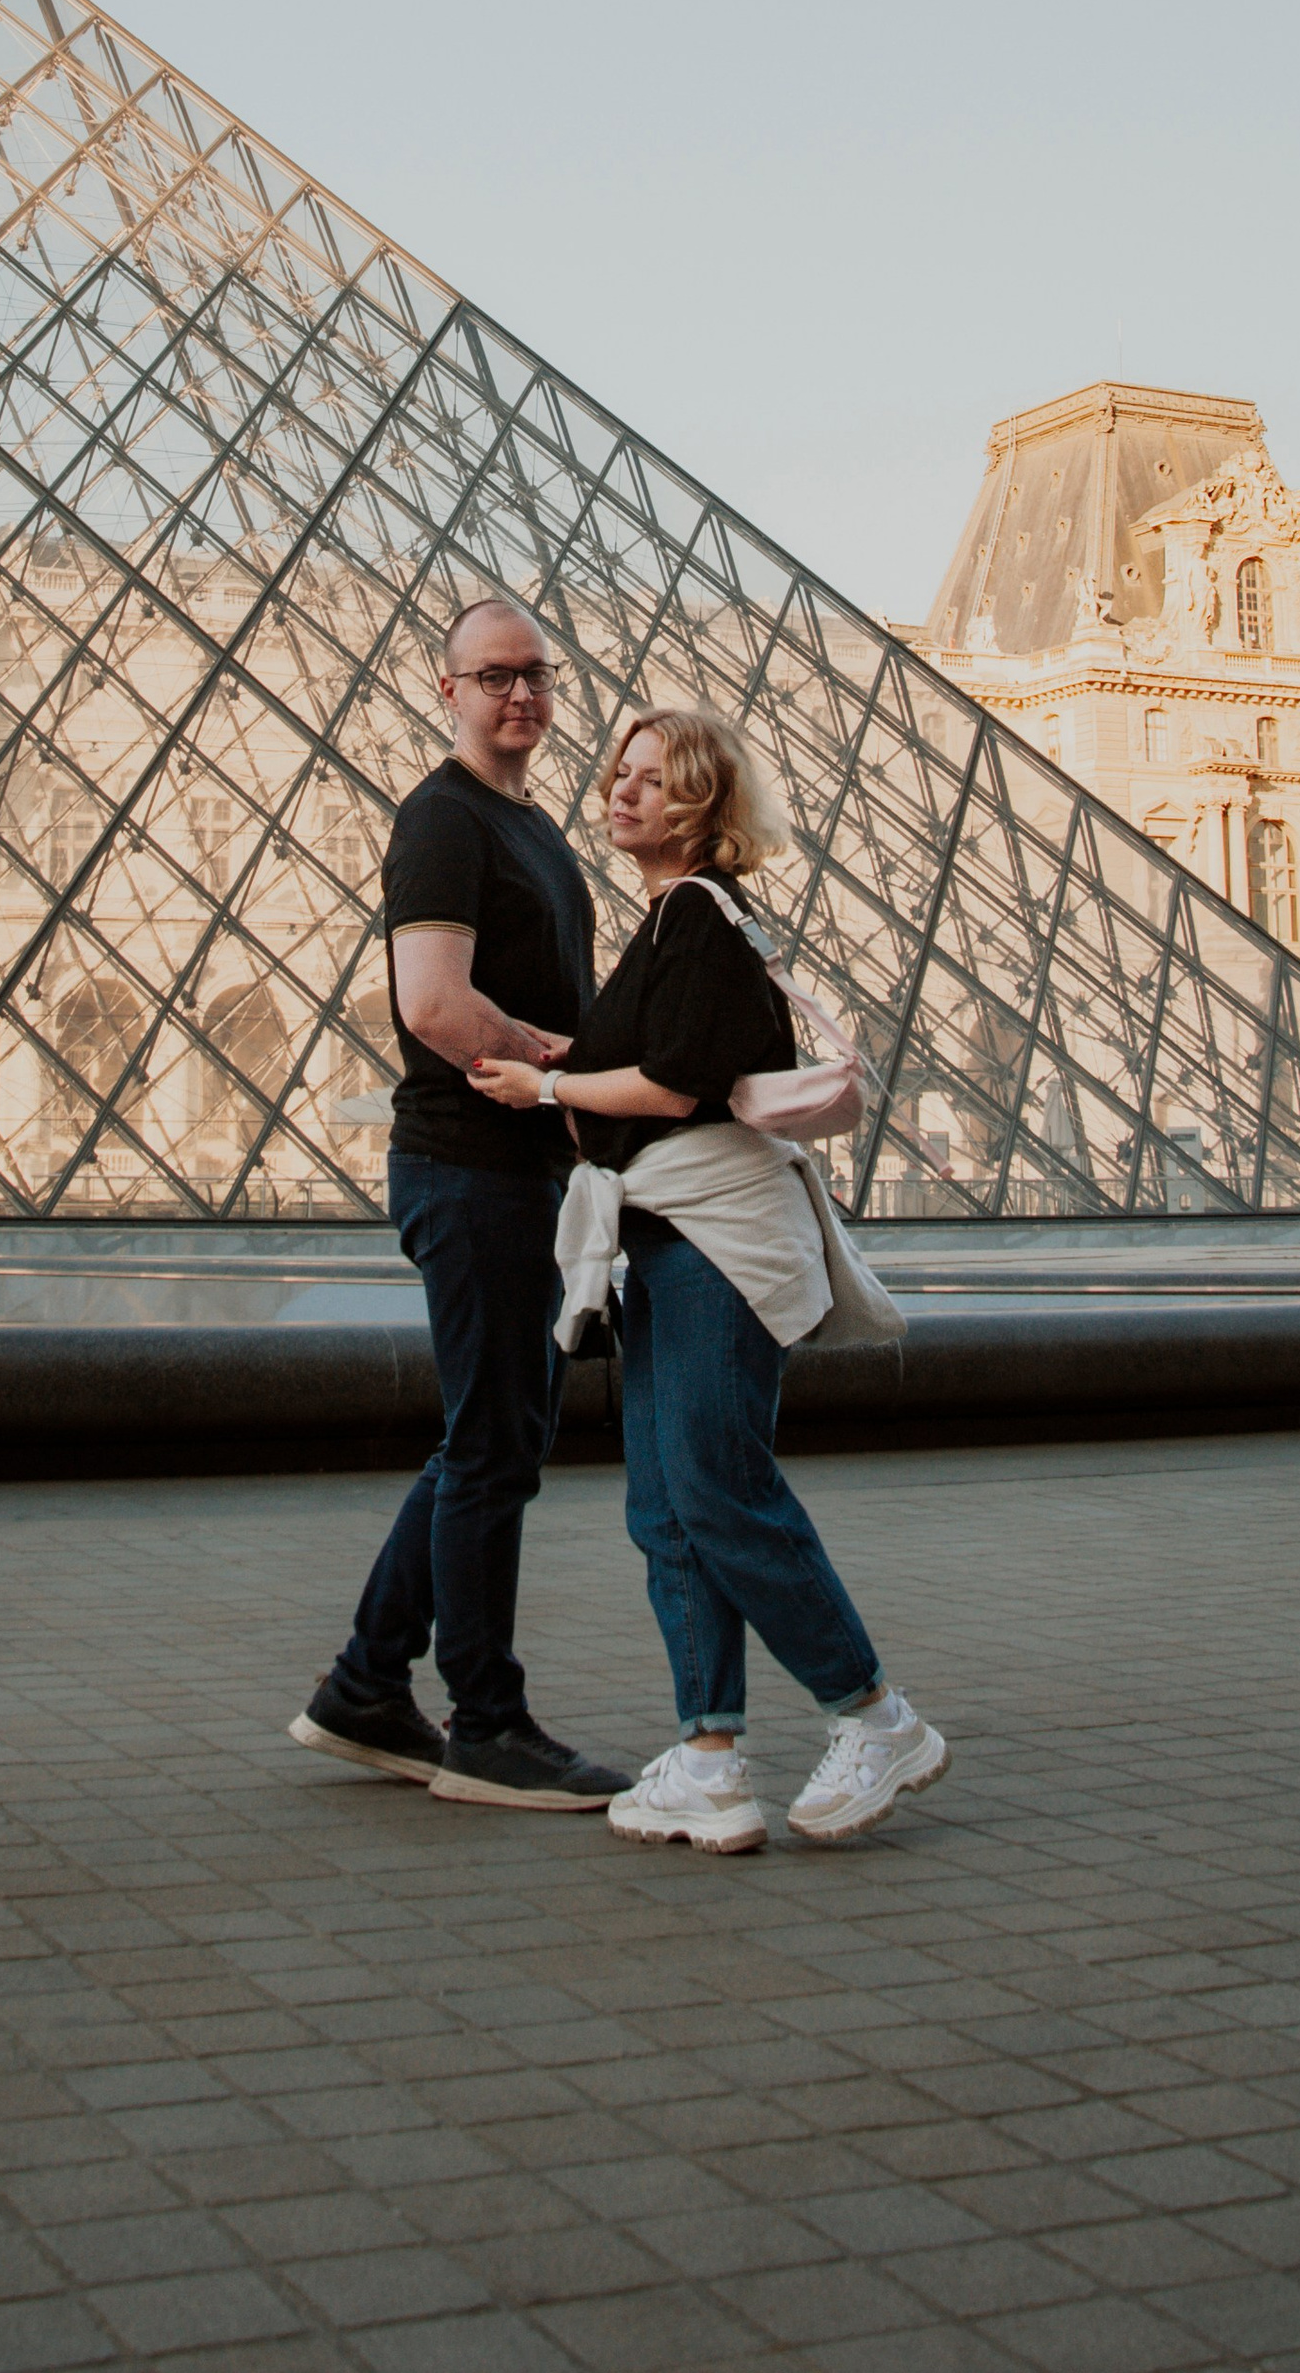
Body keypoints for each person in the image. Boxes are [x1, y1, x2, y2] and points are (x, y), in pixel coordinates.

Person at [472, 703, 948, 1854]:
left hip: (713, 1243)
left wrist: (547, 1087)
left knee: (718, 1489)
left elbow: (677, 1084)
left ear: (701, 806)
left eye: (651, 778)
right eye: (619, 774)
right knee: (665, 1508)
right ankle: (708, 1759)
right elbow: (656, 1060)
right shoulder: (671, 923)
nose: (621, 792)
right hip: (667, 1239)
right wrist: (570, 1058)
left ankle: (874, 1716)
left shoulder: (694, 911)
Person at [289, 599, 633, 1813]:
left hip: (516, 1171)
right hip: (470, 1166)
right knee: (493, 1446)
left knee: (491, 1438)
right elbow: (433, 1005)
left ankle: (365, 1686)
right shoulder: (442, 819)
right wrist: (566, 1079)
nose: (520, 693)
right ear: (447, 690)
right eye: (494, 675)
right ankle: (484, 1722)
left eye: (536, 673)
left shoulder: (529, 824)